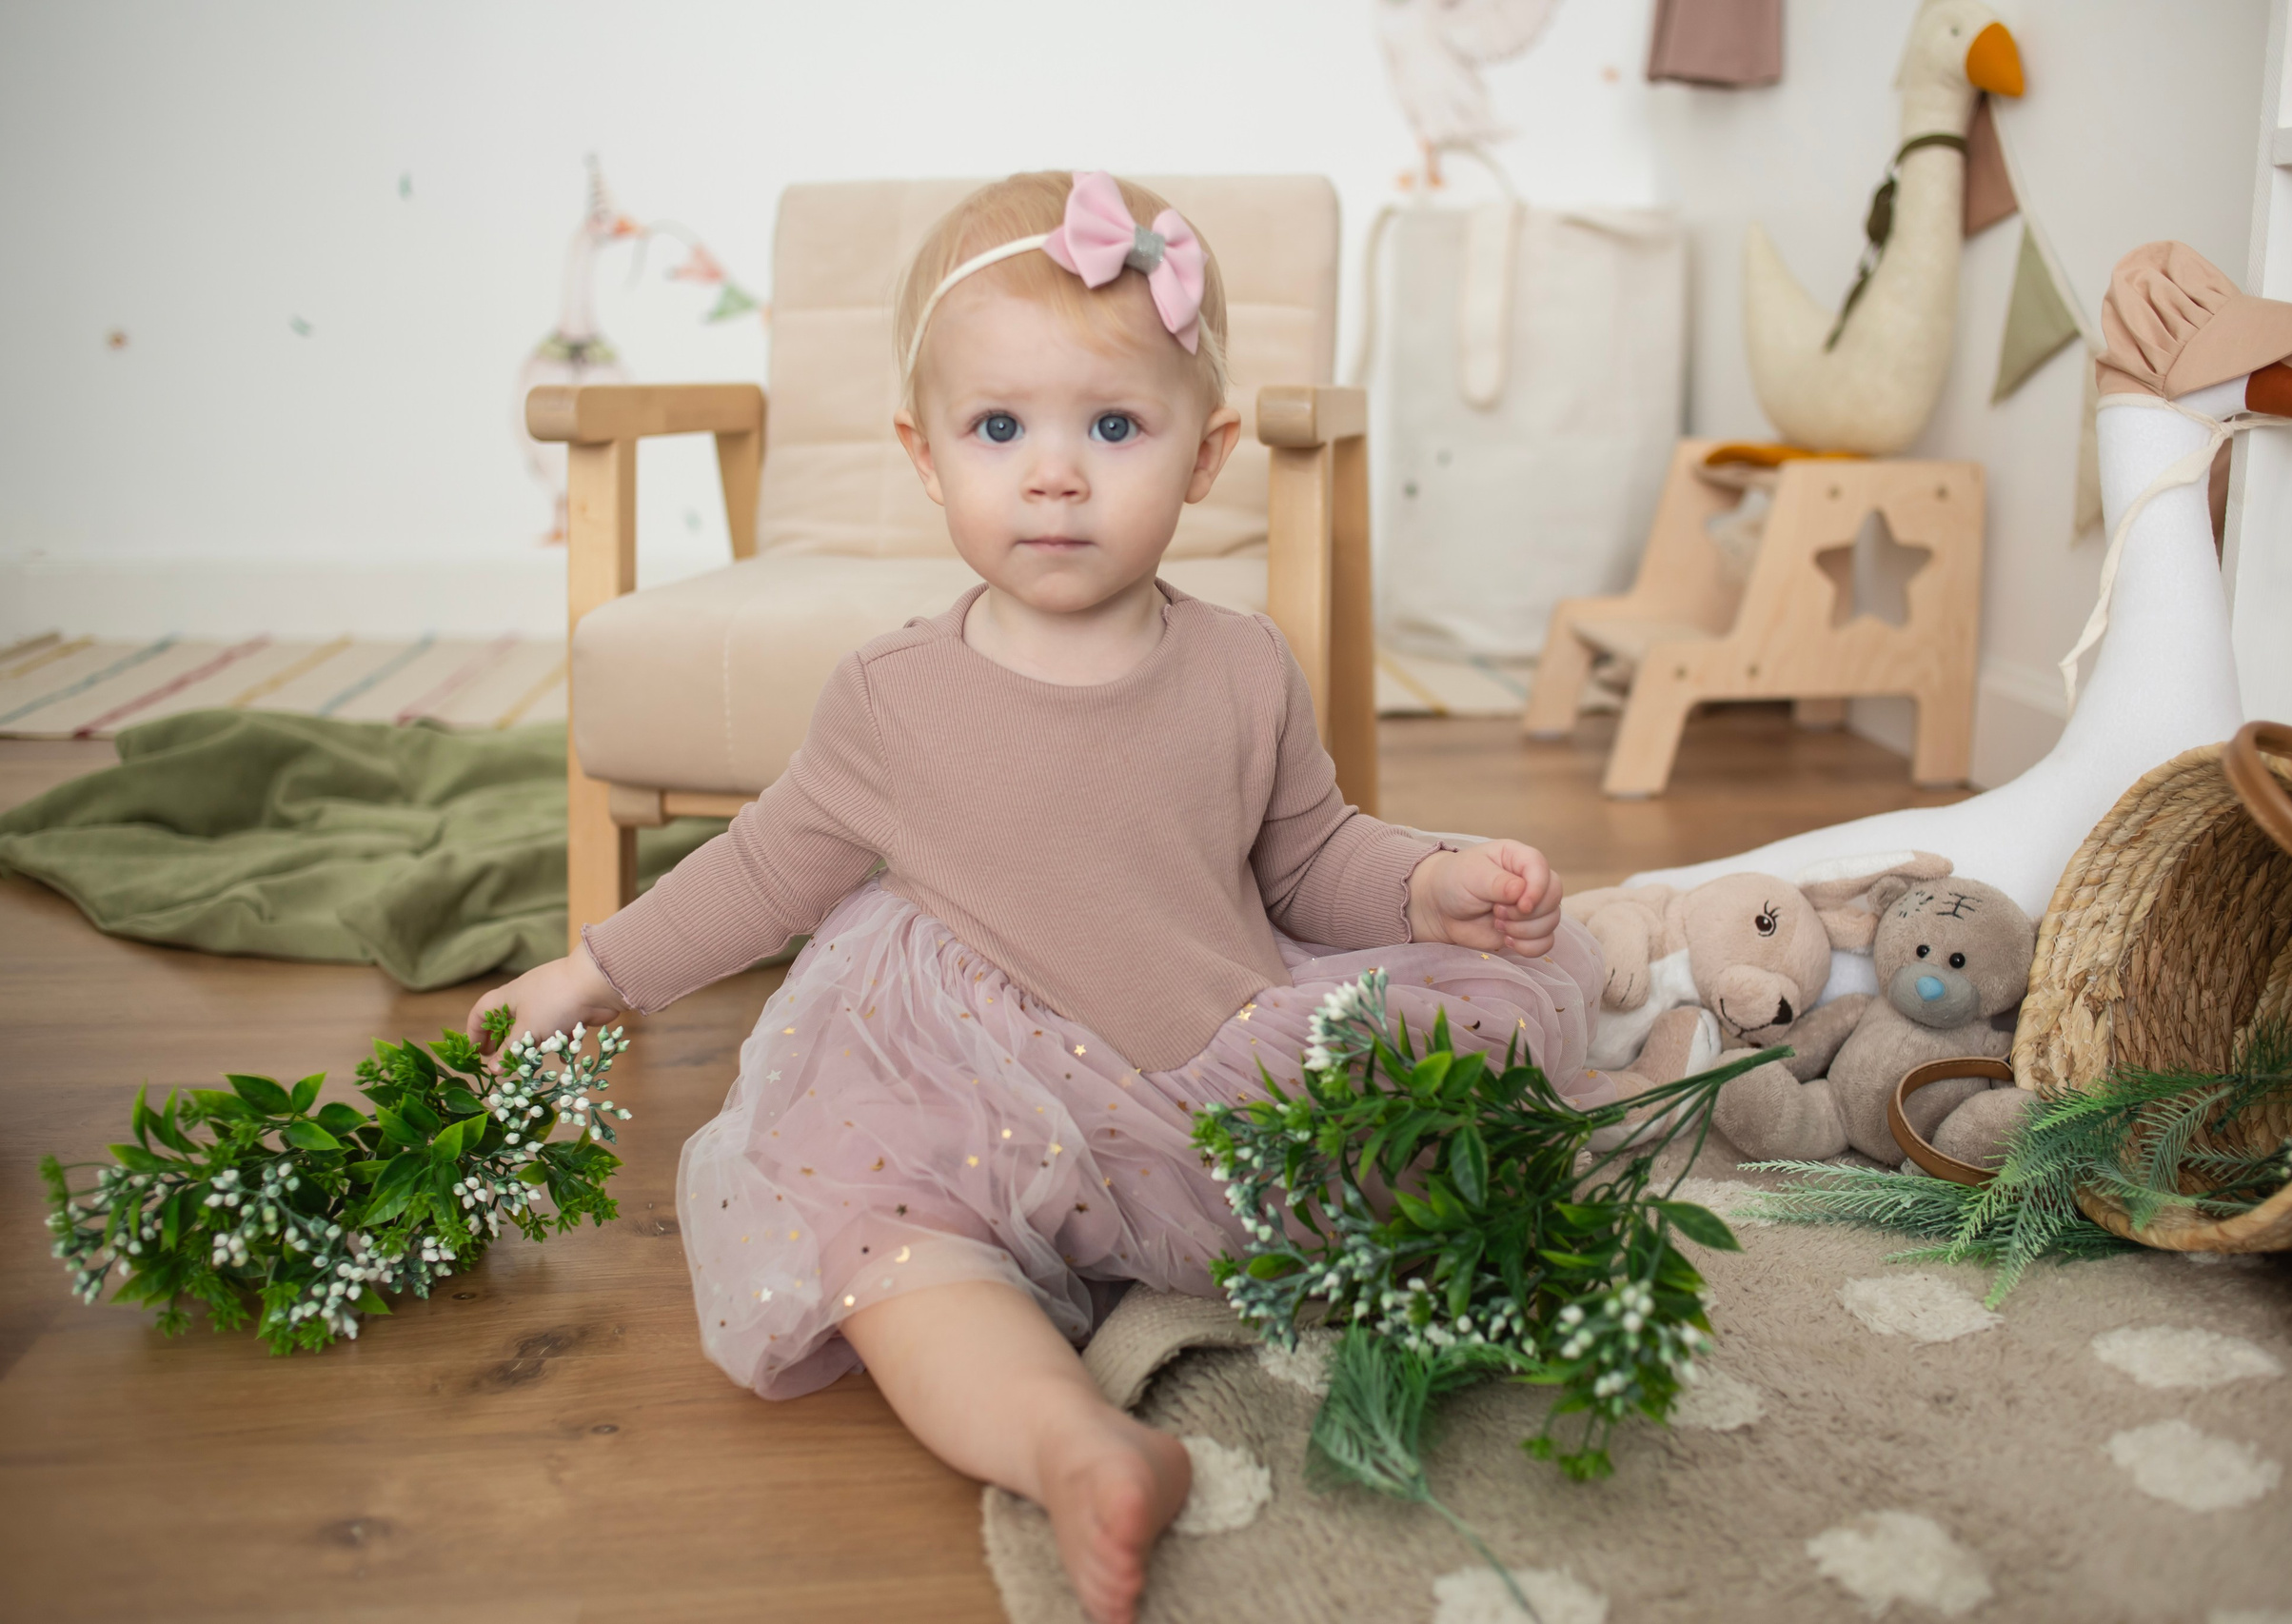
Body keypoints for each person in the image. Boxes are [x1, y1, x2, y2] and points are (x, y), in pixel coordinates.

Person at [471, 169, 1602, 1624]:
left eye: (1113, 427)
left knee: (1434, 1155)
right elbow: (764, 868)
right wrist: (587, 975)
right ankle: (1070, 1442)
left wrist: (1431, 885)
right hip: (956, 1075)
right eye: (1000, 428)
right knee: (888, 1253)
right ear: (926, 456)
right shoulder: (892, 695)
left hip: (1203, 1054)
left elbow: (1310, 858)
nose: (1054, 473)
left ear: (1207, 454)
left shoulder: (1246, 663)